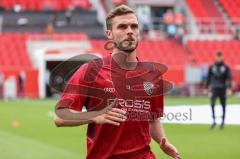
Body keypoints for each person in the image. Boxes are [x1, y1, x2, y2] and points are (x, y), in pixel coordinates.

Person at [54, 5, 180, 159]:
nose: (130, 31)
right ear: (109, 34)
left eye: (134, 26)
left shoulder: (153, 75)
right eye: (122, 27)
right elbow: (60, 117)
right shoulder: (91, 71)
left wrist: (162, 141)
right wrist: (94, 116)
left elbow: (153, 119)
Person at [206, 51, 232, 129]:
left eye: (220, 56)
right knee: (212, 104)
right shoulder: (212, 67)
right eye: (217, 56)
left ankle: (222, 123)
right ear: (216, 57)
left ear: (222, 57)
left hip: (223, 88)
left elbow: (229, 78)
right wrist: (206, 88)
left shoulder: (226, 67)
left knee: (223, 105)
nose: (218, 58)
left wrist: (229, 89)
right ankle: (214, 121)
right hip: (214, 88)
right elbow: (208, 78)